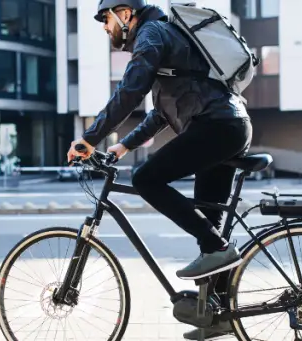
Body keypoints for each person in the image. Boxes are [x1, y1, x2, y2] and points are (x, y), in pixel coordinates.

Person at [66, 1, 252, 338]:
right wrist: (124, 145)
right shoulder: (165, 36)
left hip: (216, 127)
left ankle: (218, 249)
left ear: (125, 13)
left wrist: (89, 138)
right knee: (209, 227)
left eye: (105, 19)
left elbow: (130, 90)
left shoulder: (151, 34)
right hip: (227, 126)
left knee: (146, 179)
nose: (105, 28)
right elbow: (161, 113)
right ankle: (219, 317)